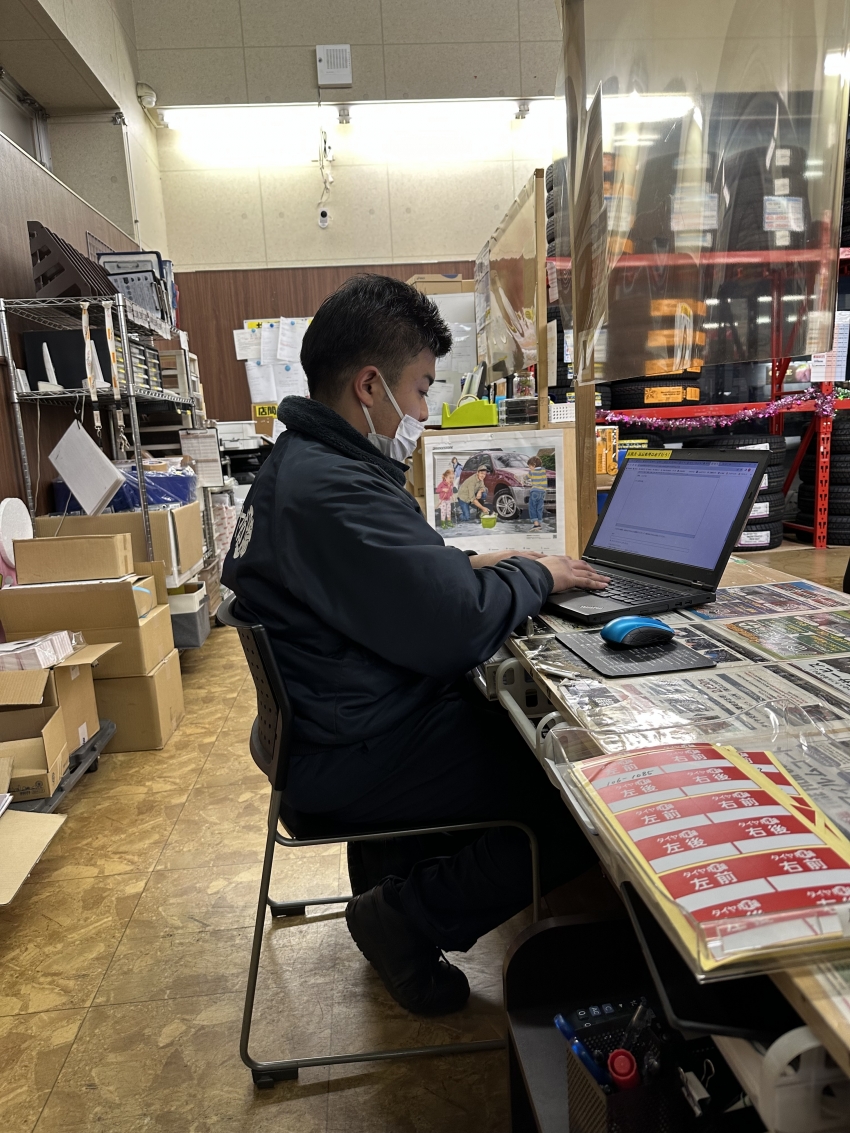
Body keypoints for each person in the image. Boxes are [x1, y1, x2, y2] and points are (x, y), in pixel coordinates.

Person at [222, 274, 609, 1017]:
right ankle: (404, 920)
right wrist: (539, 572)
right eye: (422, 389)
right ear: (370, 386)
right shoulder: (330, 487)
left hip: (331, 727)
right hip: (353, 751)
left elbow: (384, 578)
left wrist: (473, 563)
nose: (425, 413)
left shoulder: (306, 465)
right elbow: (455, 628)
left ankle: (392, 886)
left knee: (508, 723)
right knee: (576, 792)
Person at [526, 455, 548, 531]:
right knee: (539, 508)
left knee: (532, 507)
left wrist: (519, 477)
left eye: (530, 466)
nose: (529, 468)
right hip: (542, 492)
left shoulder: (532, 472)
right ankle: (540, 524)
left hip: (535, 492)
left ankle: (536, 524)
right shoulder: (543, 470)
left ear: (534, 465)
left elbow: (526, 477)